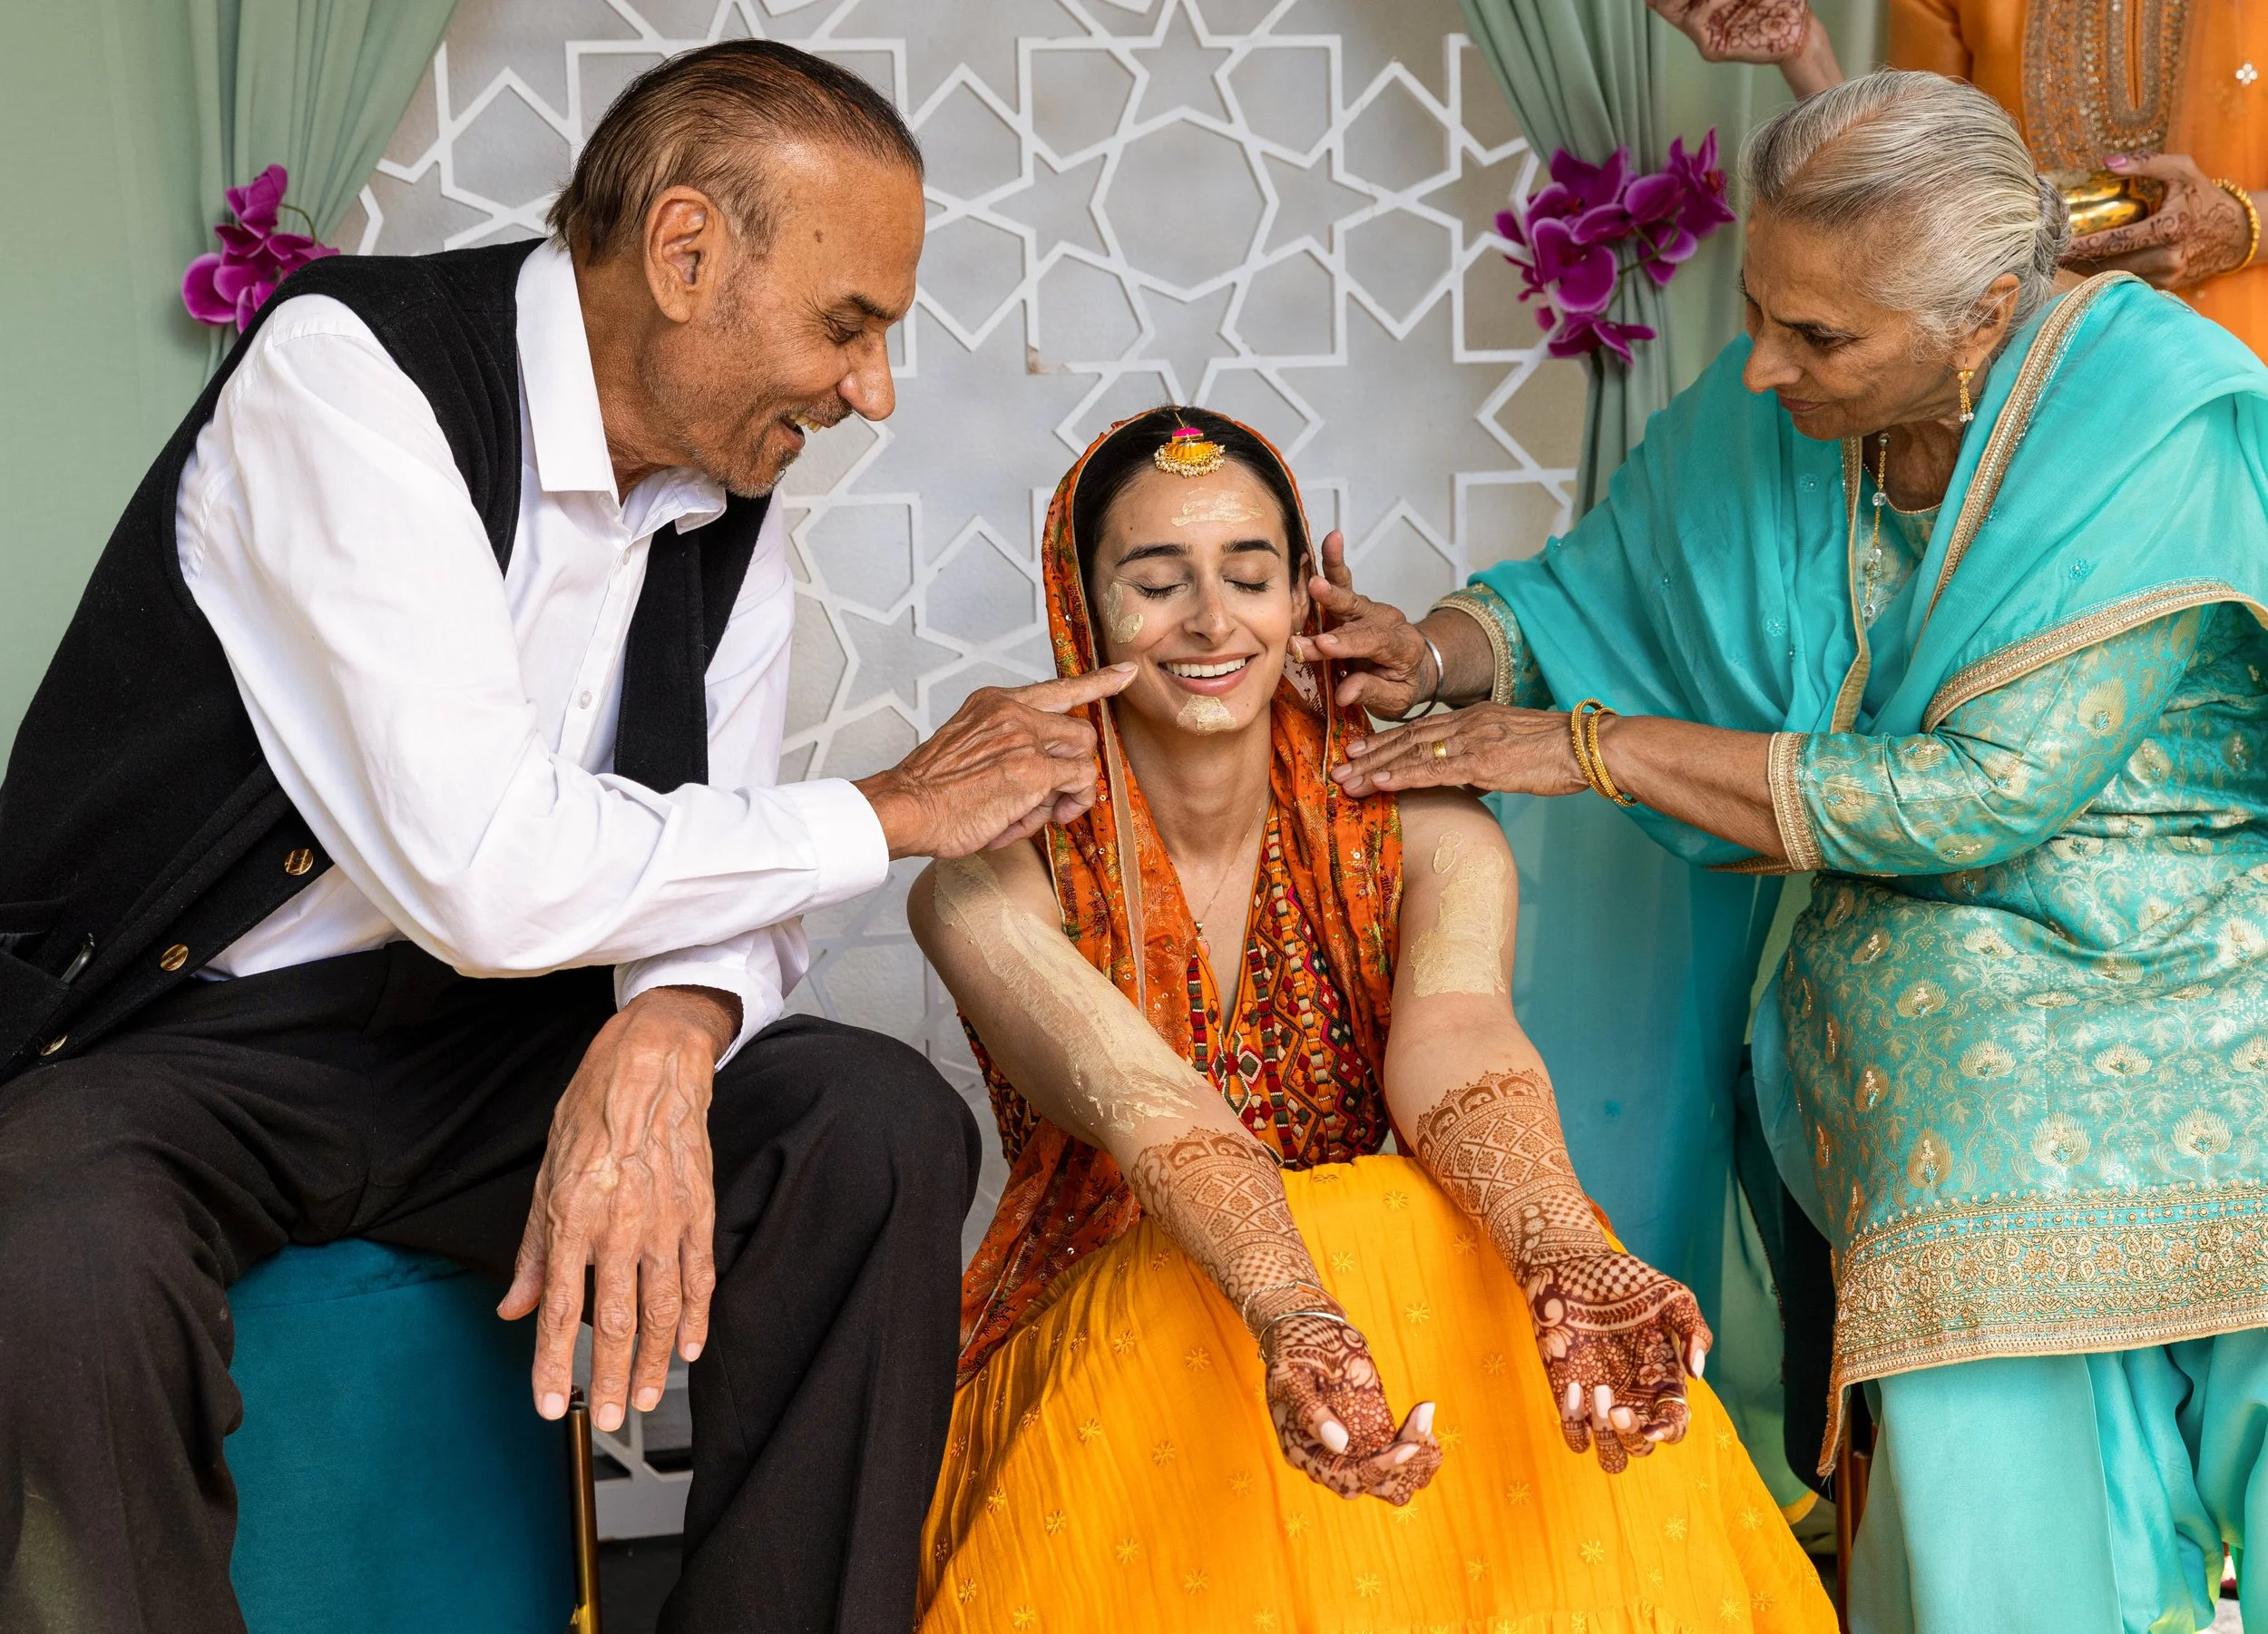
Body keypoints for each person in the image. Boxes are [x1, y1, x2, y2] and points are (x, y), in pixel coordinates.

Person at [0, 41, 1136, 1634]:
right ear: (683, 254)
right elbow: (481, 867)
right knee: (43, 1237)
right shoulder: (351, 374)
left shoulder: (736, 515)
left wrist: (674, 1028)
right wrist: (888, 810)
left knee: (870, 1130)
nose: (870, 387)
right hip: (190, 1043)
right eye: (847, 323)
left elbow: (721, 853)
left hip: (490, 1061)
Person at [1314, 71, 2268, 1634]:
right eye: (1762, 307)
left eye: (1820, 337)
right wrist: (1424, 655)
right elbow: (1588, 598)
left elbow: (1989, 790)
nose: (1761, 365)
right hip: (1930, 952)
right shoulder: (1774, 418)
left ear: (1981, 318)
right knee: (1970, 1116)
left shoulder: (2150, 406)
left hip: (2217, 916)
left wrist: (1595, 751)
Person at [905, 406, 1835, 1632]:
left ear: (1304, 595)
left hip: (1388, 1299)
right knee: (1346, 1231)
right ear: (1080, 604)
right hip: (1127, 1315)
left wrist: (1566, 1245)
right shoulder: (991, 865)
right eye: (1155, 581)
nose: (1210, 622)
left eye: (1250, 575)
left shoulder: (1420, 816)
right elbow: (1152, 1108)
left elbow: (1454, 1041)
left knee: (1412, 1213)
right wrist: (1293, 1313)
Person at [1649, 0, 2268, 355]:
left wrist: (2243, 225)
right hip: (2025, 379)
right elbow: (1919, 191)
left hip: (2241, 368)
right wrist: (1804, 54)